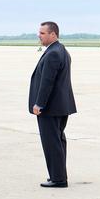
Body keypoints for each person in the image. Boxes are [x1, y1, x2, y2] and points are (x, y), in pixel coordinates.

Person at [29, 21, 77, 188]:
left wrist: (39, 104)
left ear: (53, 34)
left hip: (50, 107)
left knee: (52, 143)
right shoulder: (61, 50)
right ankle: (58, 175)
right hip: (60, 106)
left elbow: (47, 82)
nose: (39, 36)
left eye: (42, 33)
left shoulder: (53, 53)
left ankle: (58, 179)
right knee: (57, 141)